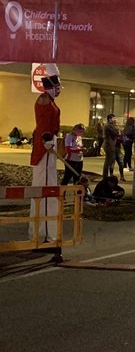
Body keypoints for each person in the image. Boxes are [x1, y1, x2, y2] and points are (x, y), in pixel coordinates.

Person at [29, 74, 62, 242]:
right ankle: (44, 232)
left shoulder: (49, 99)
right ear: (50, 86)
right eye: (57, 86)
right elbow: (43, 124)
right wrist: (46, 141)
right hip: (45, 146)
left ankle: (44, 231)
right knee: (46, 188)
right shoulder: (44, 98)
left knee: (48, 187)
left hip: (48, 144)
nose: (59, 90)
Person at [102, 114, 120, 179]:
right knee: (108, 160)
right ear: (109, 119)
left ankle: (108, 175)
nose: (115, 119)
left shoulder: (110, 125)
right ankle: (105, 176)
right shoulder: (108, 125)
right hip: (108, 145)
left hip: (111, 145)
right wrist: (117, 129)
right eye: (113, 118)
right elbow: (116, 133)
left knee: (111, 160)